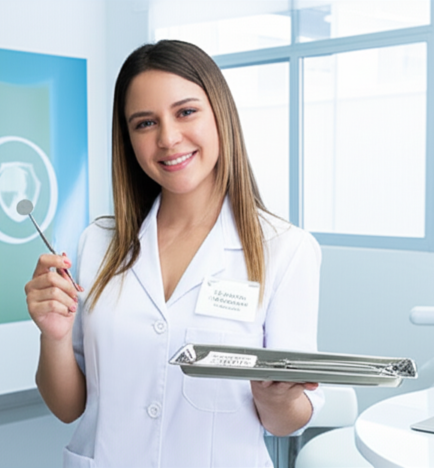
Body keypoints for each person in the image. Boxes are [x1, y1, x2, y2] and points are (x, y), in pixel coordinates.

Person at [25, 40, 323, 468]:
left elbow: (284, 423)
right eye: (144, 123)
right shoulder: (98, 243)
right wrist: (52, 336)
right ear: (128, 139)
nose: (167, 138)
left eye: (186, 112)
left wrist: (275, 396)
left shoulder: (285, 248)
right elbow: (68, 407)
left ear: (221, 114)